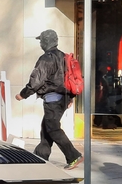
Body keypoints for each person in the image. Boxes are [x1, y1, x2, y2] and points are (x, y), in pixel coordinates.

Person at [15, 29, 83, 170]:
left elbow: (36, 81)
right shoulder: (64, 57)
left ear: (46, 41)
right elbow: (70, 79)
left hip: (53, 99)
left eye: (41, 41)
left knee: (53, 128)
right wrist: (70, 98)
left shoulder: (46, 58)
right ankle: (41, 156)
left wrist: (23, 94)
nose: (40, 44)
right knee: (46, 127)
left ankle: (73, 156)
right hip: (63, 98)